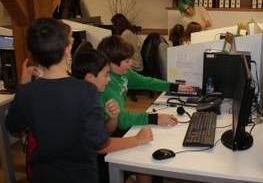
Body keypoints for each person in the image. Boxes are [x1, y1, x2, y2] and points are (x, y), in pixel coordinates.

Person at [5, 18, 152, 183]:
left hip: (43, 175)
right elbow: (100, 142)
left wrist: (23, 86)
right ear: (67, 50)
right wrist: (137, 140)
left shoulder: (27, 92)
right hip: (80, 175)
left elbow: (12, 125)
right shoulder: (85, 91)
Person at [71, 49, 152, 183]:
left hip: (92, 155)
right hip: (83, 168)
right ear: (90, 77)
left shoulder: (92, 95)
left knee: (143, 158)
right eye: (106, 74)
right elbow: (102, 146)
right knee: (142, 158)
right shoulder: (82, 104)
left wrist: (113, 117)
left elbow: (105, 133)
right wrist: (137, 139)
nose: (109, 79)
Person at [97, 35, 194, 132]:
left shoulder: (124, 72)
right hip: (107, 131)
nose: (131, 63)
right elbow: (122, 121)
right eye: (127, 61)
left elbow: (146, 82)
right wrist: (155, 118)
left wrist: (174, 87)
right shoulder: (107, 86)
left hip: (119, 121)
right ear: (111, 64)